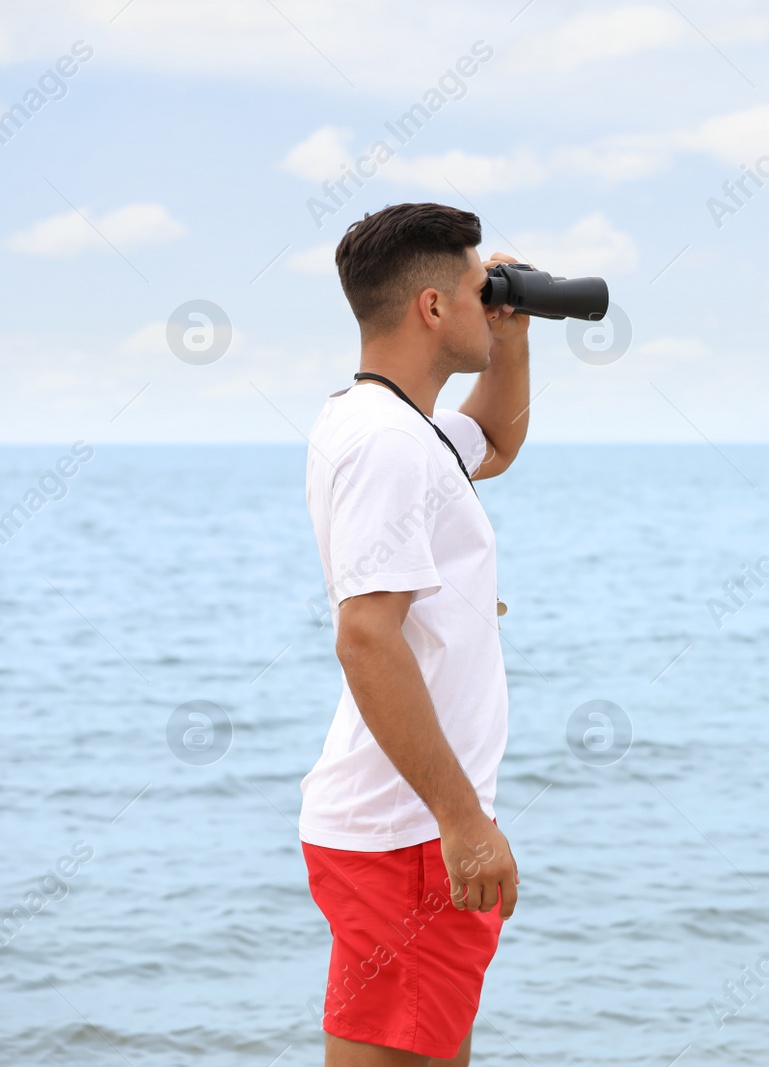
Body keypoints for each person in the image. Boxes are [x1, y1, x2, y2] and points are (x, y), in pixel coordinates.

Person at [298, 202, 530, 1066]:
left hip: (409, 831)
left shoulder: (401, 427)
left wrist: (512, 334)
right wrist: (461, 819)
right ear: (432, 307)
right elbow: (366, 637)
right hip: (407, 836)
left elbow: (498, 439)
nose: (489, 299)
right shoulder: (387, 443)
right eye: (479, 289)